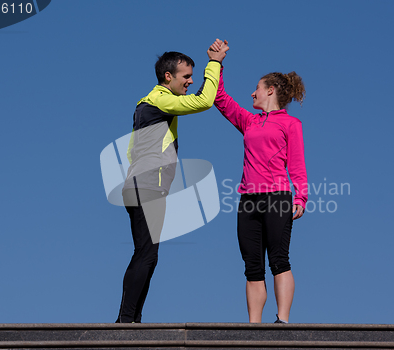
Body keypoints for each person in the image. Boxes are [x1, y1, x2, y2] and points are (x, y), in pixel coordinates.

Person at [116, 41, 230, 323]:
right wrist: (214, 64)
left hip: (143, 186)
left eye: (192, 76)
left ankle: (131, 319)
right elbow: (204, 101)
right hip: (146, 187)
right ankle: (125, 321)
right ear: (168, 77)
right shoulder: (159, 99)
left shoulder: (150, 105)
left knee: (149, 255)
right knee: (146, 253)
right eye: (186, 77)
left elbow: (133, 150)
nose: (190, 81)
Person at [210, 39, 307, 323]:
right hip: (248, 200)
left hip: (277, 197)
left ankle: (283, 321)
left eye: (257, 88)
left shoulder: (291, 124)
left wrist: (300, 197)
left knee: (279, 260)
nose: (252, 93)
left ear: (270, 91)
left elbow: (297, 164)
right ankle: (254, 327)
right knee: (252, 266)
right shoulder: (249, 121)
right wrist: (217, 63)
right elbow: (220, 99)